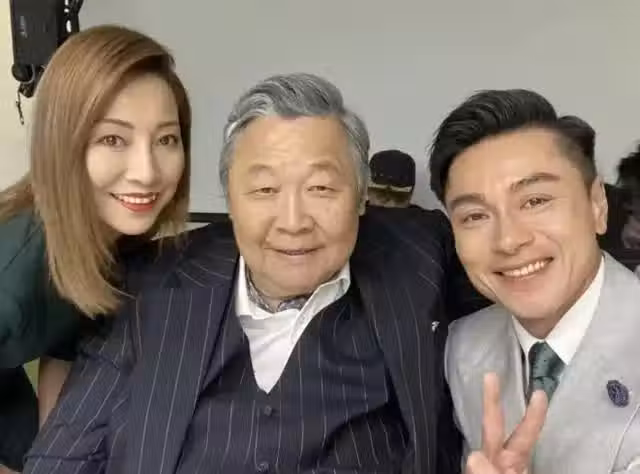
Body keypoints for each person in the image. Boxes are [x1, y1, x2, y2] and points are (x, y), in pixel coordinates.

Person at [24, 73, 483, 474]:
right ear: (229, 199)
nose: (293, 221)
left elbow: (518, 272)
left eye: (321, 187)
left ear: (362, 196)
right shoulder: (150, 285)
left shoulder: (420, 253)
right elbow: (62, 460)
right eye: (264, 189)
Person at [0, 24, 191, 472]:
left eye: (166, 139)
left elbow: (66, 351)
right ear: (62, 143)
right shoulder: (12, 276)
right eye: (112, 139)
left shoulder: (111, 234)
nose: (146, 172)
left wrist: (57, 457)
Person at [429, 89, 640, 472]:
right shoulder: (461, 346)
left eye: (535, 201)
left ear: (597, 204)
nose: (509, 240)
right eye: (475, 216)